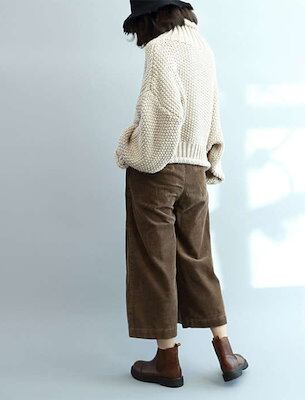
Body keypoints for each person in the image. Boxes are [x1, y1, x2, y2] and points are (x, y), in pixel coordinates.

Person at [114, 0, 248, 387]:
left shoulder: (160, 49)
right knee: (198, 258)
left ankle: (167, 361)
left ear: (149, 18)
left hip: (158, 170)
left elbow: (166, 113)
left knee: (154, 262)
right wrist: (210, 158)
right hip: (194, 169)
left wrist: (133, 146)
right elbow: (213, 111)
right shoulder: (202, 47)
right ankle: (226, 352)